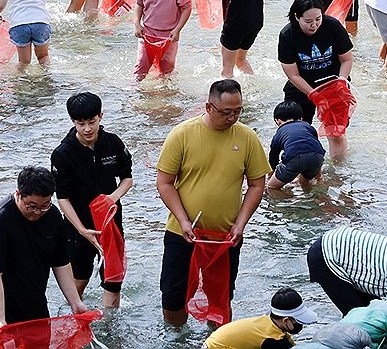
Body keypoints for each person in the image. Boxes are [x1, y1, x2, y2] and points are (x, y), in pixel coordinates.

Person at [156, 79, 269, 326]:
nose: (232, 118)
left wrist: (241, 224)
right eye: (226, 112)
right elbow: (164, 183)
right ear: (208, 107)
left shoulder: (247, 137)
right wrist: (184, 220)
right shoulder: (182, 134)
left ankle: (216, 340)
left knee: (221, 296)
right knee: (173, 297)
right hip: (183, 233)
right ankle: (177, 338)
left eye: (238, 111)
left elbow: (256, 184)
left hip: (226, 235)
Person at [0, 166, 89, 348]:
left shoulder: (53, 217)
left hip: (34, 308)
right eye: (32, 206)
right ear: (19, 194)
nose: (37, 212)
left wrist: (75, 302)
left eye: (44, 206)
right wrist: (1, 321)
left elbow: (61, 264)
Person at [51, 92, 133, 309]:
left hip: (110, 223)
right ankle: (75, 318)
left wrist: (113, 197)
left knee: (113, 280)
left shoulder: (113, 143)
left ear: (101, 117)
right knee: (80, 278)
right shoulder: (63, 154)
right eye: (81, 123)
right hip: (79, 226)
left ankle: (110, 329)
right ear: (73, 122)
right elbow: (62, 197)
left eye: (92, 122)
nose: (87, 129)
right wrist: (81, 230)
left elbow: (127, 178)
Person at [276, 0, 353, 157]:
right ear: (297, 17)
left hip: (334, 85)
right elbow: (292, 74)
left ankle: (338, 174)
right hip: (302, 86)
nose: (314, 25)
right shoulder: (288, 34)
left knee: (336, 134)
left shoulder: (333, 26)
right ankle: (301, 169)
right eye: (308, 21)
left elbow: (346, 59)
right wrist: (312, 93)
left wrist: (341, 81)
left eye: (318, 19)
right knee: (297, 132)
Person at [133, 0, 192, 80]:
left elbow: (187, 7)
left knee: (166, 70)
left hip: (169, 36)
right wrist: (137, 24)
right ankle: (134, 95)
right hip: (147, 33)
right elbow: (139, 5)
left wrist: (178, 30)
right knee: (140, 68)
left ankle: (165, 97)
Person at [204, 287, 319, 349]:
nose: (301, 326)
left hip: (212, 342)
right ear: (286, 321)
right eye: (299, 322)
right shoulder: (272, 340)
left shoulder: (267, 323)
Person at [267, 100, 325, 189]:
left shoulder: (279, 133)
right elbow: (314, 145)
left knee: (272, 187)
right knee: (305, 182)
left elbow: (273, 157)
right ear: (301, 118)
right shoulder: (308, 126)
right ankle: (309, 195)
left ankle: (290, 200)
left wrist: (274, 174)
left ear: (277, 121)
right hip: (317, 156)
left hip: (294, 158)